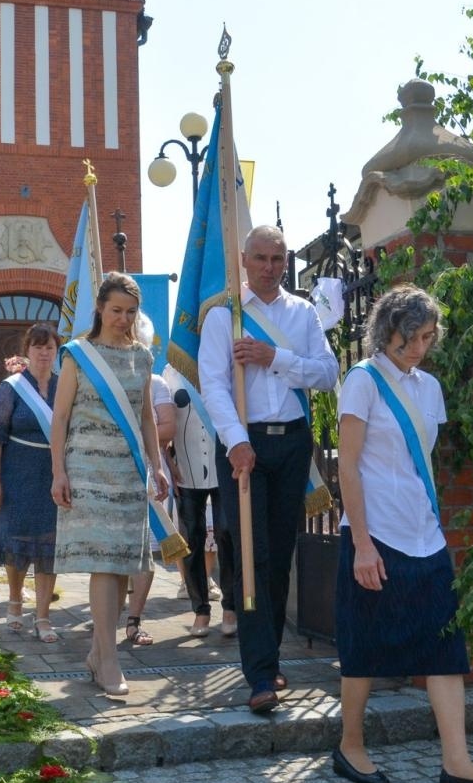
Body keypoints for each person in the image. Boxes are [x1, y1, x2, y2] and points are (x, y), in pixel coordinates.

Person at [332, 284, 473, 783]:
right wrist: (363, 546)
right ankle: (350, 746)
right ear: (387, 331)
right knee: (364, 644)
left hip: (423, 534)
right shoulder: (362, 381)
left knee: (445, 647)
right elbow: (347, 465)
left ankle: (456, 764)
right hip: (375, 532)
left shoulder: (429, 388)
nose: (419, 348)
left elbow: (423, 462)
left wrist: (431, 521)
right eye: (411, 337)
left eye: (429, 338)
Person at [199, 225, 338, 714]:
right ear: (243, 259)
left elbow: (328, 372)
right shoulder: (223, 317)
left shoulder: (301, 314)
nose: (268, 267)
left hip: (294, 442)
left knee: (280, 558)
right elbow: (213, 385)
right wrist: (236, 442)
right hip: (245, 444)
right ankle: (258, 675)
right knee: (253, 556)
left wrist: (273, 357)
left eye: (277, 259)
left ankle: (270, 655)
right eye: (259, 258)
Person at [51, 273, 168, 697]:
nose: (123, 318)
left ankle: (99, 653)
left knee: (122, 566)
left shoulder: (143, 356)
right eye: (116, 310)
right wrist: (57, 472)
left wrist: (157, 467)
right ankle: (110, 659)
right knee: (104, 561)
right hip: (85, 468)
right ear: (99, 308)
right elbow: (60, 417)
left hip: (128, 470)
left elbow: (147, 418)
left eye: (131, 312)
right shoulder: (77, 355)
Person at [0, 324, 61, 642]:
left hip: (53, 476)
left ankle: (43, 617)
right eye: (38, 347)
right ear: (27, 351)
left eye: (50, 347)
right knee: (14, 543)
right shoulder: (11, 387)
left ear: (57, 352)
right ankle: (15, 600)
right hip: (16, 474)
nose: (44, 353)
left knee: (50, 547)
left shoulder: (64, 386)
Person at [166, 362, 238, 639]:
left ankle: (230, 606)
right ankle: (200, 609)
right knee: (192, 539)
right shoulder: (171, 372)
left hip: (224, 466)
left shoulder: (224, 363)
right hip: (187, 468)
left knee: (227, 532)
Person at [121, 316, 176, 647]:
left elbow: (167, 427)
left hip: (147, 470)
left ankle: (133, 619)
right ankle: (106, 616)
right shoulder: (104, 380)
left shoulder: (156, 383)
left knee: (145, 553)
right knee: (114, 553)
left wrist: (147, 446)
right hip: (111, 471)